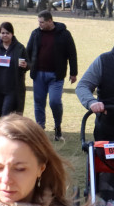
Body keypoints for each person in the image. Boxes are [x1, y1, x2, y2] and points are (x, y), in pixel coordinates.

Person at [25, 11, 78, 141]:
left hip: (56, 76)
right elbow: (28, 51)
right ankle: (40, 130)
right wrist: (26, 66)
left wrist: (73, 72)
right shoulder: (36, 33)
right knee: (39, 103)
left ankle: (57, 127)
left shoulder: (64, 34)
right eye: (39, 22)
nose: (40, 24)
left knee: (54, 102)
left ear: (50, 21)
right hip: (38, 75)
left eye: (42, 22)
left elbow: (72, 53)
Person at [0, 21, 28, 119]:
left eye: (7, 33)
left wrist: (25, 65)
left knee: (5, 114)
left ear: (12, 34)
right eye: (3, 33)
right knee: (1, 113)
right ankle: (8, 132)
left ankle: (4, 133)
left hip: (12, 88)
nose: (5, 35)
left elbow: (29, 63)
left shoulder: (19, 48)